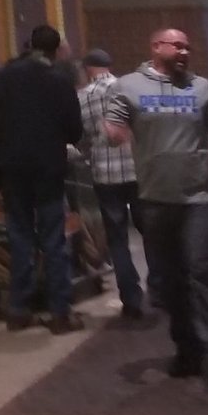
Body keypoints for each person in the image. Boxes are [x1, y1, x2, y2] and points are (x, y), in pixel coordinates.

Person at [107, 26, 208, 396]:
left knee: (200, 271)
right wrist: (114, 131)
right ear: (156, 46)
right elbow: (114, 123)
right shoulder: (129, 86)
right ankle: (187, 348)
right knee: (169, 279)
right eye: (177, 45)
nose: (184, 51)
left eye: (187, 47)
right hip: (154, 199)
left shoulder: (199, 88)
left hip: (198, 198)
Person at [0, 23, 85, 334]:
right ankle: (60, 313)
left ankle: (18, 310)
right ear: (54, 49)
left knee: (19, 236)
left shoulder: (6, 76)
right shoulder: (60, 80)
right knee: (53, 239)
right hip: (48, 168)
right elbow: (75, 129)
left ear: (29, 45)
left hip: (11, 167)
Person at [78, 48, 147, 321]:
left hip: (105, 175)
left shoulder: (83, 96)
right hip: (137, 169)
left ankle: (131, 299)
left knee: (117, 237)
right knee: (149, 230)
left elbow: (82, 135)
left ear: (88, 69)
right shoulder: (129, 88)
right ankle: (162, 289)